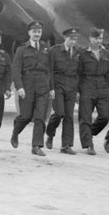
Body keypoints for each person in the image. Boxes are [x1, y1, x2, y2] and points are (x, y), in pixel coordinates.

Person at [11, 21, 54, 156]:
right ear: (29, 33)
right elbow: (16, 70)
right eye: (34, 31)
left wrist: (51, 88)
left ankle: (36, 146)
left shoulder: (45, 48)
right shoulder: (22, 49)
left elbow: (50, 70)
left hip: (42, 84)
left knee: (40, 117)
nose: (37, 34)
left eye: (39, 31)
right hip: (27, 84)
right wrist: (19, 87)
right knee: (26, 116)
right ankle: (16, 132)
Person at [45, 27, 81, 155]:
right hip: (58, 85)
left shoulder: (78, 52)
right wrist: (51, 88)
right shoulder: (54, 51)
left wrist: (77, 91)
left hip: (71, 86)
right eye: (71, 39)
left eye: (75, 39)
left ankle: (66, 145)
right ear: (65, 38)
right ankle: (50, 133)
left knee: (69, 116)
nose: (73, 41)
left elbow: (79, 73)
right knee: (59, 113)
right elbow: (49, 71)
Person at [78, 28, 109, 155]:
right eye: (96, 38)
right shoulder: (82, 54)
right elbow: (78, 73)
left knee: (105, 115)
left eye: (100, 38)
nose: (99, 41)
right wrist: (78, 90)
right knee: (85, 116)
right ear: (90, 38)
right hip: (87, 85)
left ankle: (89, 133)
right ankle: (88, 145)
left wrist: (107, 85)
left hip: (102, 86)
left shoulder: (106, 53)